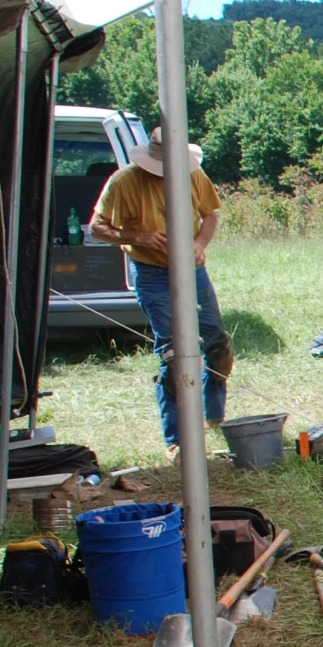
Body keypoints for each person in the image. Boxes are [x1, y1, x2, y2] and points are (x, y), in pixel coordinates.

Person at [89, 126, 230, 451]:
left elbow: (210, 215)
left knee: (218, 346)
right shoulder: (124, 181)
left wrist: (199, 242)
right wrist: (137, 237)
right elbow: (97, 228)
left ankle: (214, 418)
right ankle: (176, 441)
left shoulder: (194, 174)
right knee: (174, 355)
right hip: (152, 273)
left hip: (193, 271)